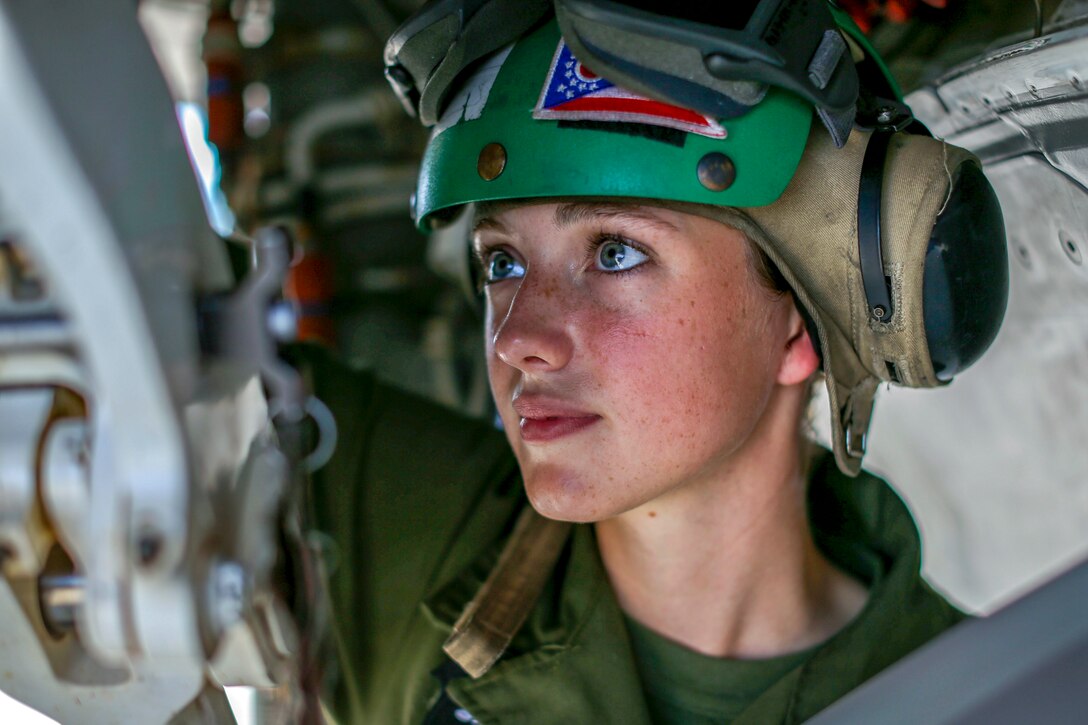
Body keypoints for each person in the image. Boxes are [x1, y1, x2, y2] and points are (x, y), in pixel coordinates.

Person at [301, 4, 1007, 723]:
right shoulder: (399, 542)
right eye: (503, 261)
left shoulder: (1002, 698)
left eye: (616, 252)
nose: (517, 340)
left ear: (800, 324)